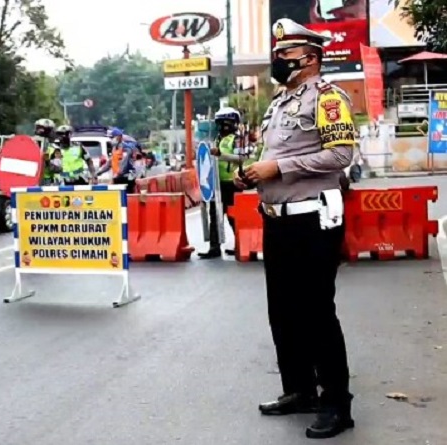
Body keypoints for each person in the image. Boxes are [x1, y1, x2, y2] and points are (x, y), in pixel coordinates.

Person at [235, 18, 355, 439]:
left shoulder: (328, 98)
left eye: (286, 55)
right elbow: (277, 152)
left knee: (317, 312)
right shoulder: (280, 101)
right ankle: (300, 390)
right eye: (279, 53)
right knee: (283, 310)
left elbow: (341, 155)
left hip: (314, 218)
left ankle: (338, 404)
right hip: (278, 219)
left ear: (310, 58)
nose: (279, 60)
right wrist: (254, 175)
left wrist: (279, 168)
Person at [198, 107, 247, 259]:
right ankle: (214, 247)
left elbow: (241, 158)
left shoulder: (238, 138)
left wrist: (221, 155)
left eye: (226, 122)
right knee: (214, 214)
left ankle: (241, 244)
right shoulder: (216, 139)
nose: (223, 126)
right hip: (216, 184)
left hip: (232, 182)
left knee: (234, 216)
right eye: (220, 123)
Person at [35, 118, 58, 185]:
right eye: (38, 128)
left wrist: (47, 161)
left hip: (47, 183)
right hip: (30, 182)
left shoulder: (55, 149)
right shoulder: (29, 146)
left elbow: (58, 169)